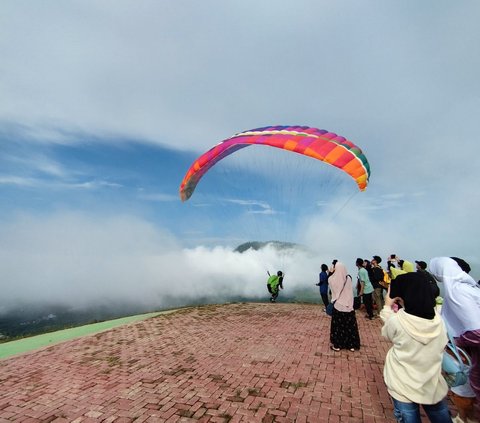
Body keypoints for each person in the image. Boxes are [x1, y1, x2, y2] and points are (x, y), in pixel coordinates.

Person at [381, 272, 452, 423]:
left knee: (408, 418)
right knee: (441, 416)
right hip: (430, 384)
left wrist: (387, 306)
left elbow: (387, 332)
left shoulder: (398, 321)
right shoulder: (439, 321)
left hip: (402, 385)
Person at [429, 257, 480, 421]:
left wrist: (457, 341)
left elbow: (476, 331)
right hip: (468, 352)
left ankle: (466, 418)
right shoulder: (469, 288)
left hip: (465, 352)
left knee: (463, 385)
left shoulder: (457, 291)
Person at [328, 261, 360, 351]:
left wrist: (330, 272)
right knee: (350, 326)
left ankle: (337, 345)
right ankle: (351, 345)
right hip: (349, 305)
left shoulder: (334, 279)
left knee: (338, 327)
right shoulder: (348, 277)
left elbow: (329, 281)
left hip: (339, 305)